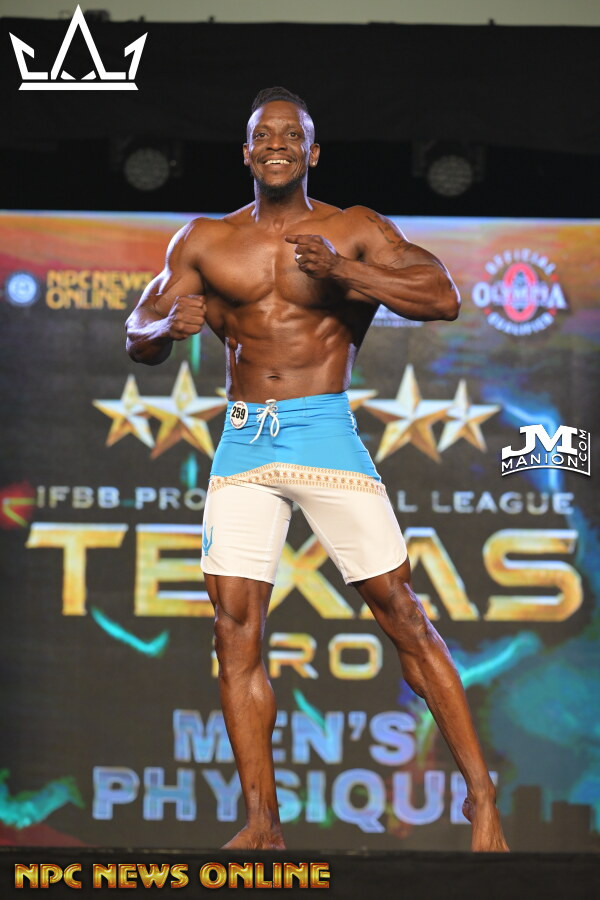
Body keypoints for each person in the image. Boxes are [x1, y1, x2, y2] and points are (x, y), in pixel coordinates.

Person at [125, 86, 509, 853]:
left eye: (290, 135)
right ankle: (262, 822)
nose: (276, 144)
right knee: (234, 631)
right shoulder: (203, 239)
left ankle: (482, 799)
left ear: (312, 151)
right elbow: (137, 329)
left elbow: (442, 298)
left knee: (402, 613)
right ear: (246, 151)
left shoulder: (353, 228)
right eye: (263, 134)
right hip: (244, 442)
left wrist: (345, 274)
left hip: (322, 433)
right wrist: (165, 325)